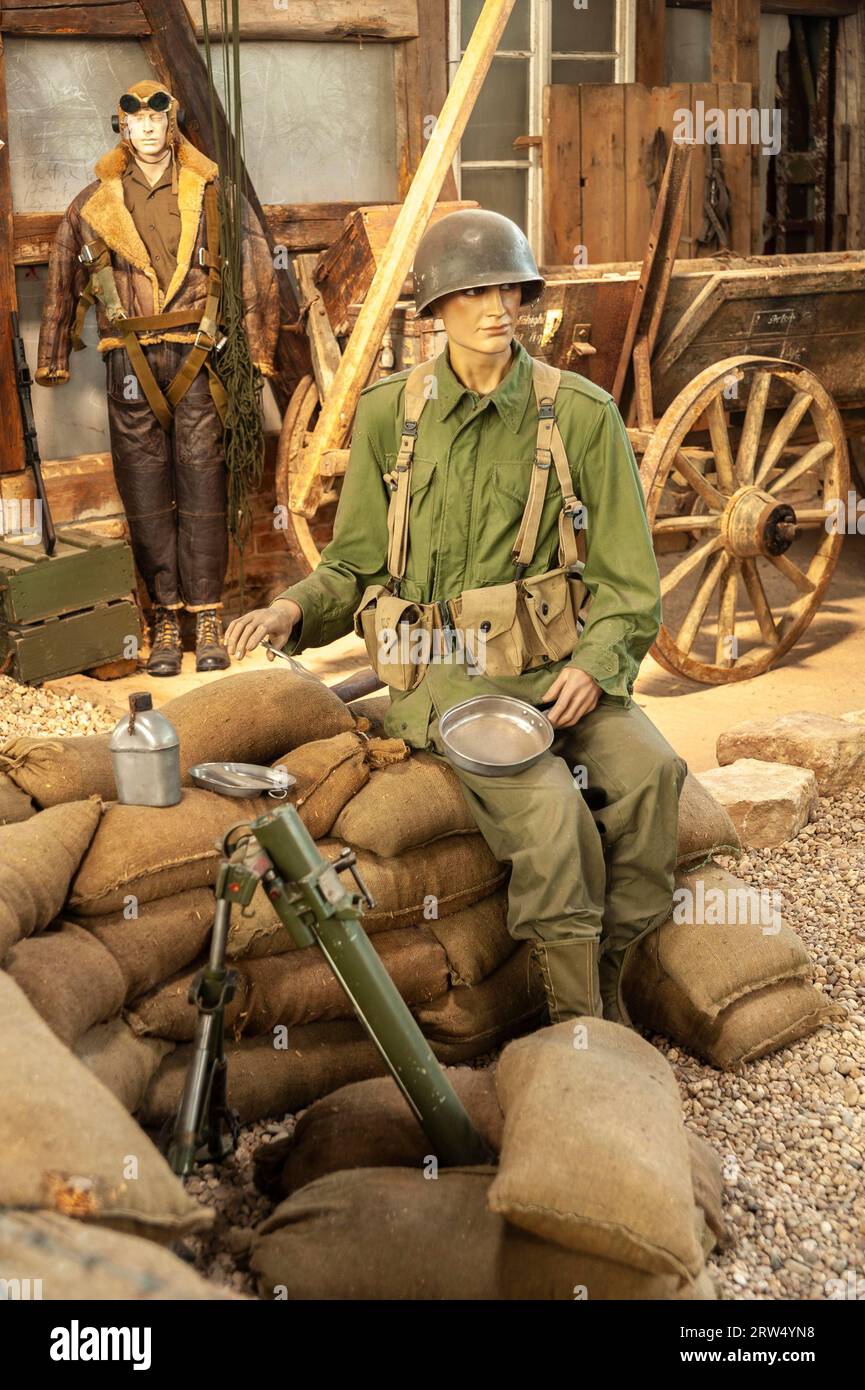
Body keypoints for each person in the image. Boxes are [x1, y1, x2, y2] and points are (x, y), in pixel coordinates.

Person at [225, 209, 688, 1025]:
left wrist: (596, 666)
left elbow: (627, 581)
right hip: (445, 674)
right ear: (435, 309)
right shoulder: (388, 415)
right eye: (473, 291)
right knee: (554, 822)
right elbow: (356, 563)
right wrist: (291, 609)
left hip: (555, 664)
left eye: (507, 286)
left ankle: (606, 985)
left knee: (652, 777)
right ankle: (579, 1040)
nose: (495, 306)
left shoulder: (579, 413)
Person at [37, 79, 279, 676]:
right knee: (144, 490)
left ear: (171, 124)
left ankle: (208, 616)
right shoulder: (94, 203)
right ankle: (166, 617)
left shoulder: (213, 192)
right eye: (134, 119)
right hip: (131, 361)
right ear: (121, 127)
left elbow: (255, 266)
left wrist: (260, 350)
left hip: (200, 356)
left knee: (204, 488)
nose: (146, 127)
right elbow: (62, 269)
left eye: (156, 117)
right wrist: (53, 354)